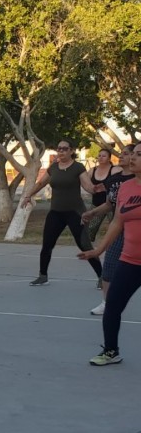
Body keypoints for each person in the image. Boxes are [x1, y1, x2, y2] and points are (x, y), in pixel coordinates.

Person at [78, 141, 141, 366]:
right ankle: (111, 351)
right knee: (112, 304)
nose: (133, 158)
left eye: (139, 154)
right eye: (132, 154)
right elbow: (117, 221)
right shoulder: (125, 187)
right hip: (131, 260)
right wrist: (99, 249)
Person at [21, 139, 103, 286]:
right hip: (56, 213)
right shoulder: (53, 167)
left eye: (65, 149)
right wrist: (28, 196)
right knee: (47, 245)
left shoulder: (78, 167)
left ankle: (101, 277)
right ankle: (43, 275)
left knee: (84, 245)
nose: (61, 151)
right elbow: (41, 183)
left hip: (75, 212)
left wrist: (95, 189)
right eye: (59, 149)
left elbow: (87, 186)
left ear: (72, 151)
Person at [81, 145, 135, 315]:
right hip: (118, 229)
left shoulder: (136, 179)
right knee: (109, 266)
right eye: (122, 153)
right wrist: (92, 212)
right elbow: (109, 205)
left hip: (135, 231)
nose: (122, 156)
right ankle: (106, 302)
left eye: (127, 154)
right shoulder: (113, 180)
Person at [86, 148, 122, 242]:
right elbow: (85, 184)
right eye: (99, 155)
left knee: (116, 230)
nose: (101, 158)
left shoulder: (115, 170)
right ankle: (89, 251)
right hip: (96, 205)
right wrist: (92, 189)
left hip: (111, 206)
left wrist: (108, 188)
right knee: (89, 230)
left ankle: (116, 247)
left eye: (104, 156)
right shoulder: (92, 170)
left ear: (109, 158)